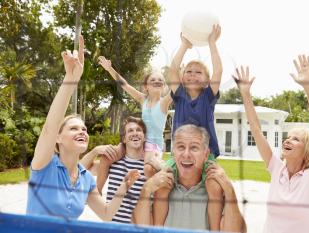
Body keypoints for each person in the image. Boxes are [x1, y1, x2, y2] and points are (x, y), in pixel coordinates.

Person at [26, 36, 140, 220]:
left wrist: (124, 186)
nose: (82, 132)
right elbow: (50, 127)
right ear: (58, 137)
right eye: (73, 129)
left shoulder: (85, 179)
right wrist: (70, 79)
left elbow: (106, 214)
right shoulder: (44, 165)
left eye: (84, 129)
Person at [234, 55, 309, 233]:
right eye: (288, 136)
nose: (287, 140)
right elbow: (255, 130)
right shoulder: (277, 168)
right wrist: (246, 94)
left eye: (296, 139)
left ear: (308, 149)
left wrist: (308, 87)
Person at [156, 24, 223, 230]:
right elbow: (173, 68)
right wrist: (184, 45)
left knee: (213, 186)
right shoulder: (180, 96)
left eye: (198, 72)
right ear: (183, 78)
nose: (192, 74)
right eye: (189, 71)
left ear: (207, 80)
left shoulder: (208, 97)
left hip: (206, 154)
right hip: (180, 154)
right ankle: (157, 226)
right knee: (161, 183)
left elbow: (219, 69)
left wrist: (212, 43)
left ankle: (213, 227)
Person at [133, 124, 246, 233]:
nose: (186, 154)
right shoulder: (161, 185)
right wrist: (146, 189)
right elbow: (139, 228)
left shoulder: (215, 187)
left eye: (194, 148)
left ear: (206, 154)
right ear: (174, 153)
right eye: (181, 147)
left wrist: (230, 190)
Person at [97, 56, 172, 184]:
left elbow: (177, 91)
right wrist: (110, 69)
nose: (157, 81)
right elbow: (124, 85)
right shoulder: (144, 100)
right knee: (108, 156)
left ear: (164, 86)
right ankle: (97, 192)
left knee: (149, 164)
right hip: (138, 140)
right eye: (153, 79)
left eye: (160, 80)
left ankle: (168, 169)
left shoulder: (164, 103)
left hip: (153, 145)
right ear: (146, 87)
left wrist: (179, 76)